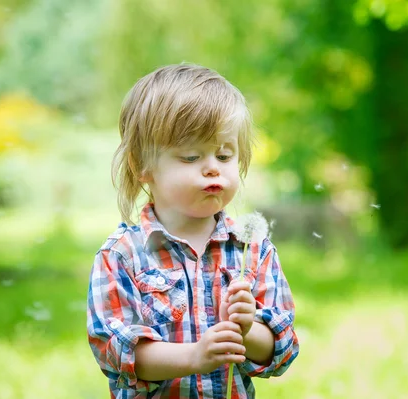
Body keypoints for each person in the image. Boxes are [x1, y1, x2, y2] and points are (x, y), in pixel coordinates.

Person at [87, 64, 299, 399]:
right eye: (190, 156)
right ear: (141, 165)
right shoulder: (122, 255)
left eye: (225, 154)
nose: (213, 166)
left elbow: (282, 350)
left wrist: (247, 331)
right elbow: (116, 352)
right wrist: (194, 356)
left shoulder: (253, 250)